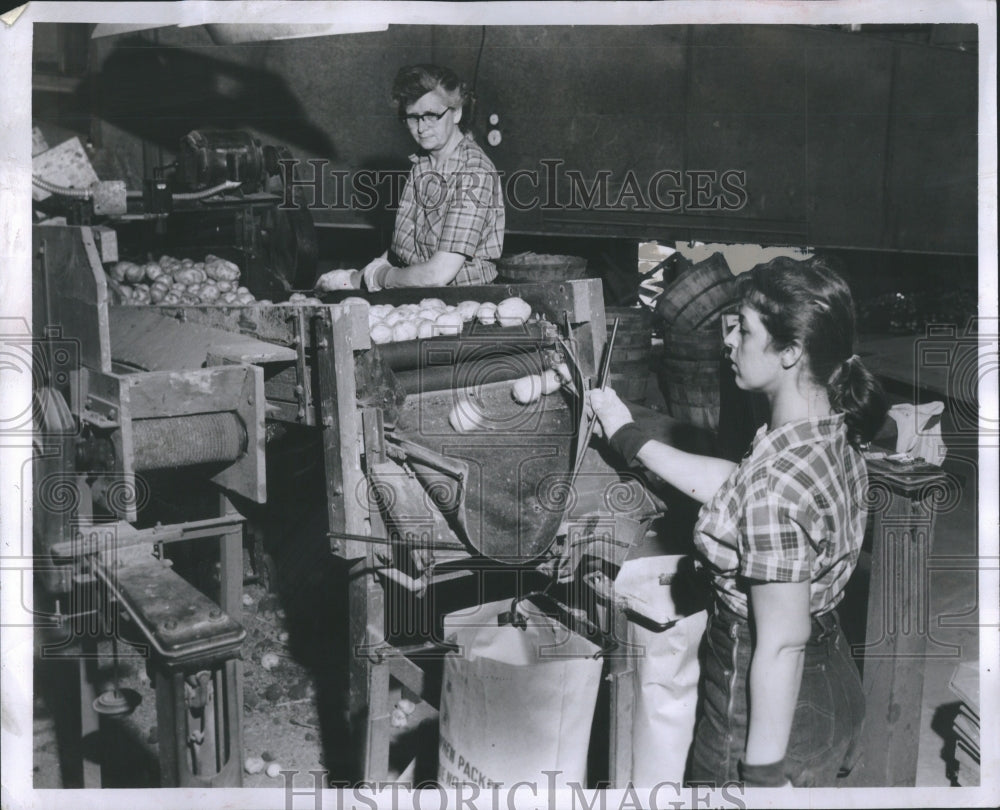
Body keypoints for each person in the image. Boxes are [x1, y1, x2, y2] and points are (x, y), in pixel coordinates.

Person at [588, 257, 888, 788]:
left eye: (744, 329)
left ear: (790, 352)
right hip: (828, 679)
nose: (728, 340)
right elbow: (738, 485)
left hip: (765, 705)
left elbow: (780, 643)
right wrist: (627, 436)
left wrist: (762, 777)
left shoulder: (779, 486)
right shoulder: (823, 431)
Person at [316, 64, 504, 292]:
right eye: (413, 118)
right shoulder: (423, 162)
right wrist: (355, 278)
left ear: (456, 113)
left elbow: (438, 274)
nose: (421, 128)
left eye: (432, 116)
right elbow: (403, 250)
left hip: (464, 300)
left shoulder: (474, 172)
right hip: (418, 294)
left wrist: (379, 278)